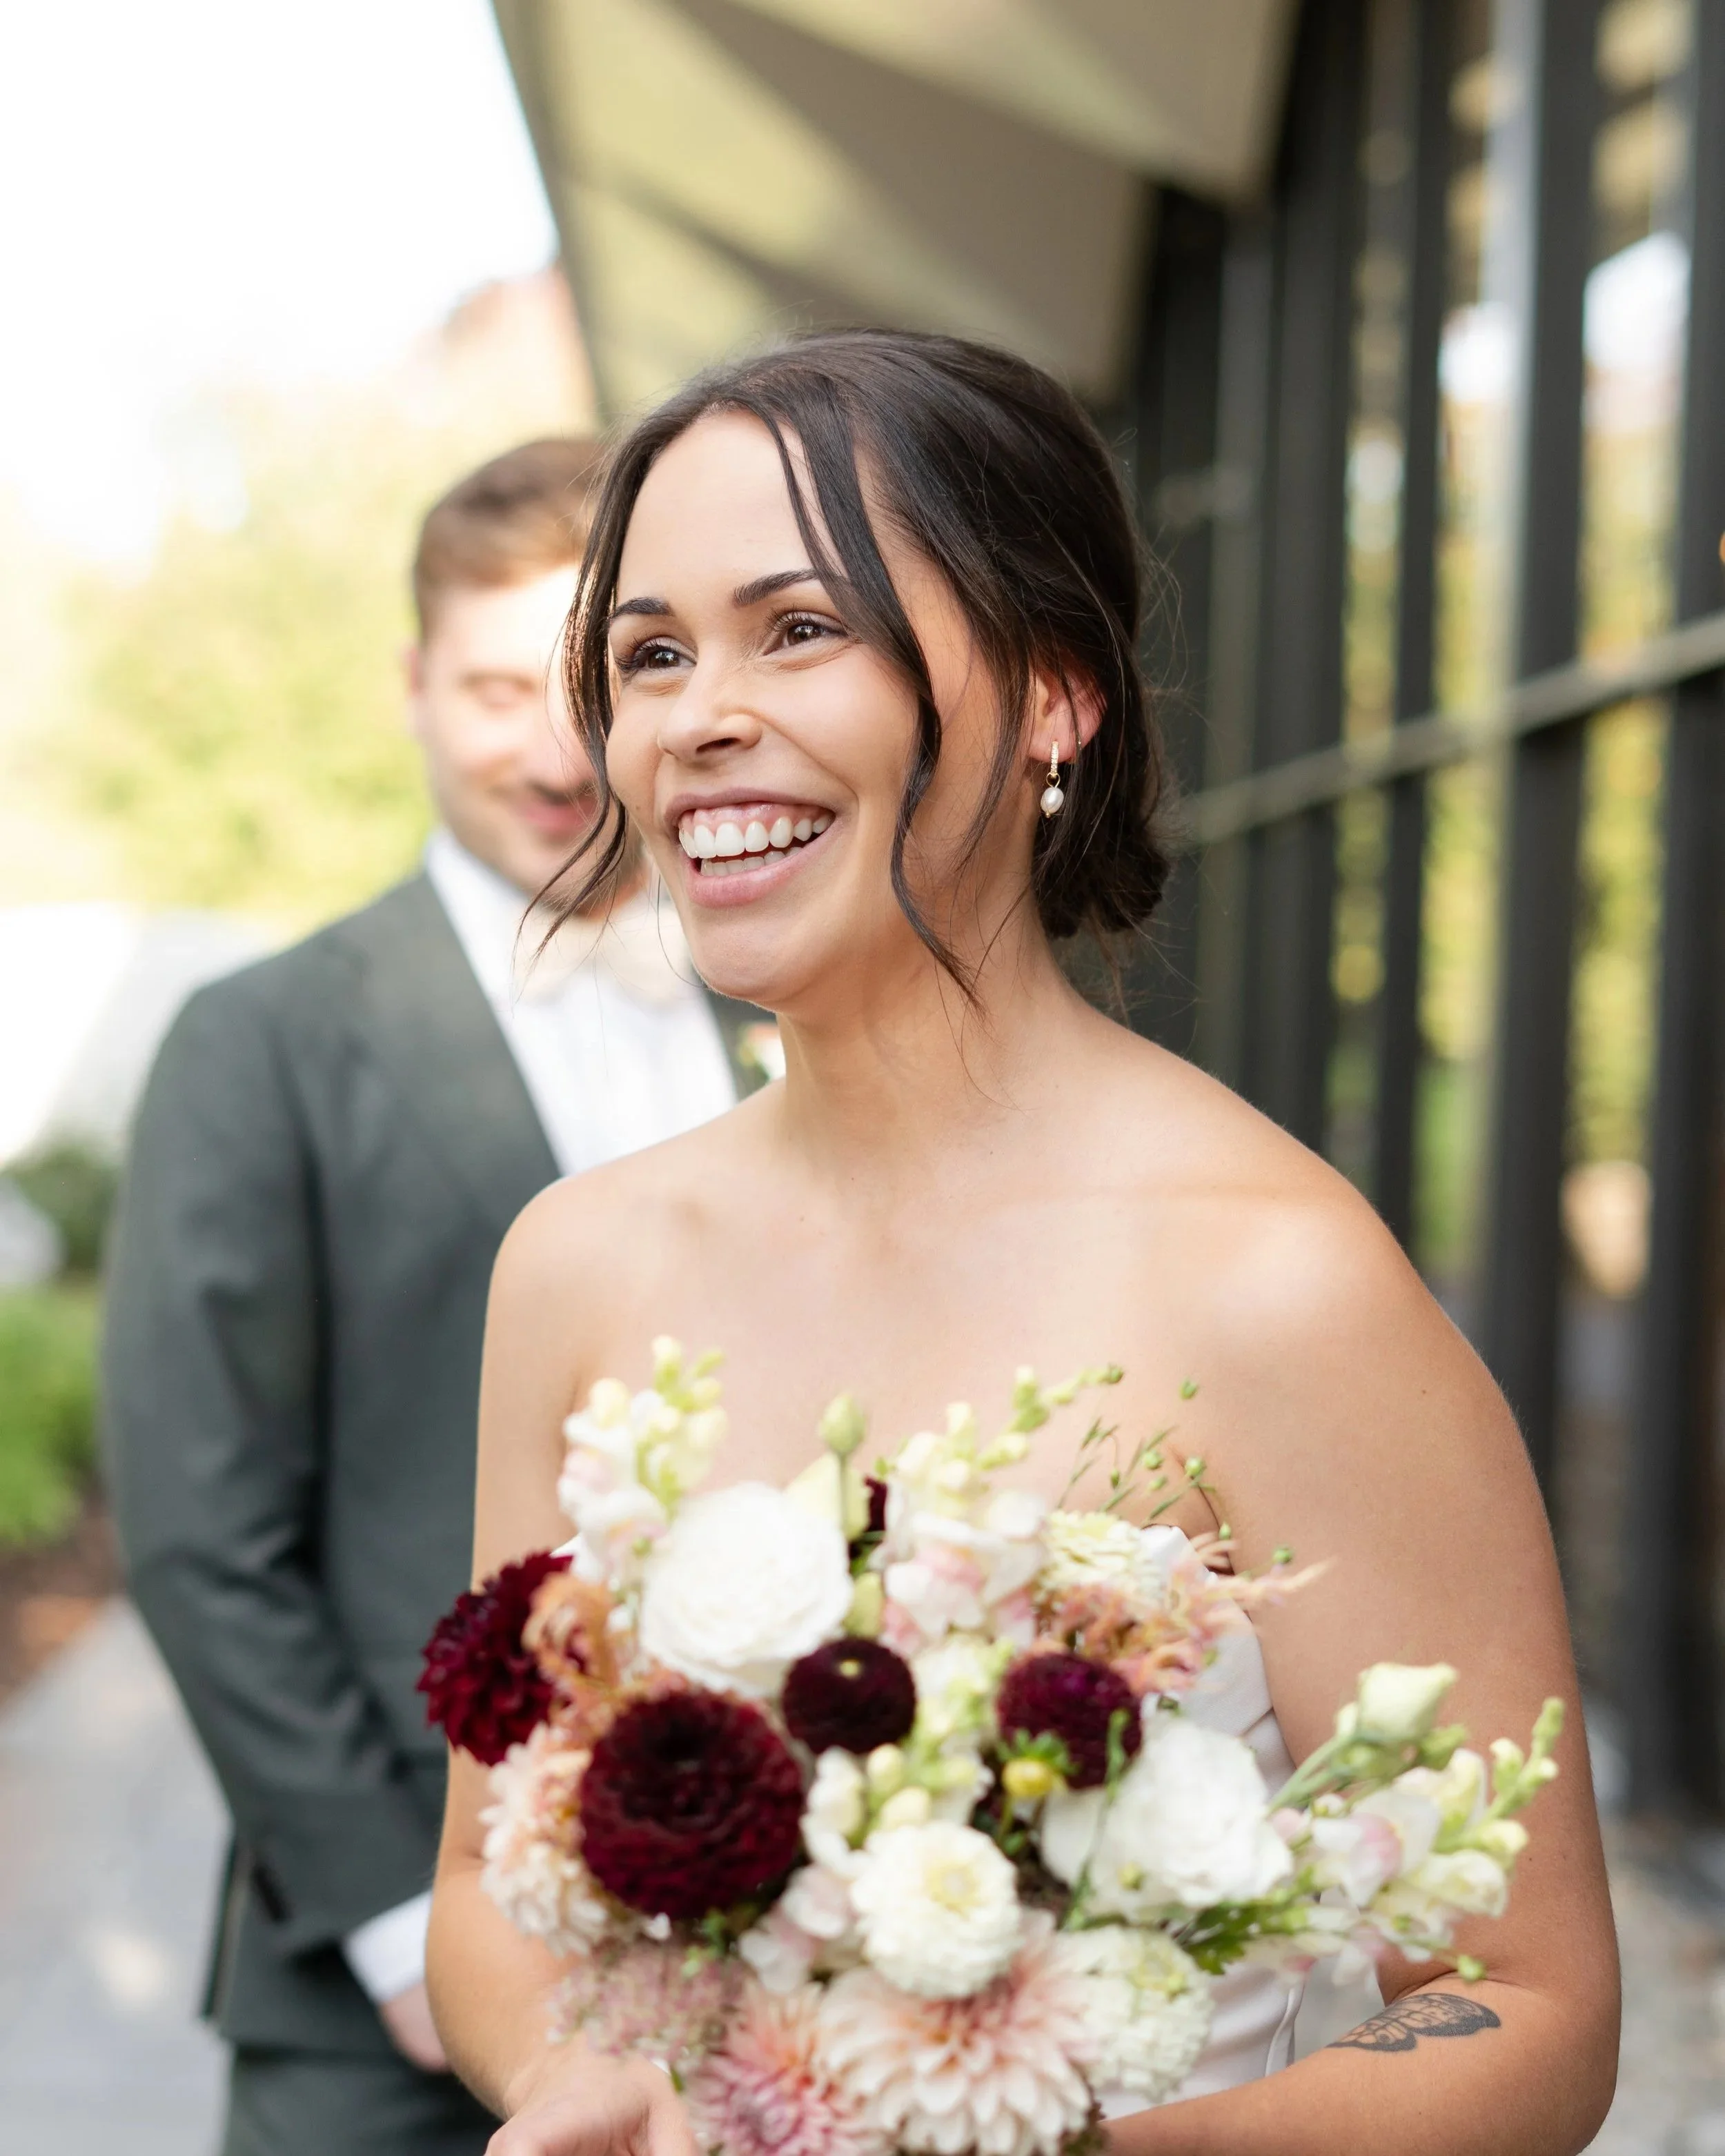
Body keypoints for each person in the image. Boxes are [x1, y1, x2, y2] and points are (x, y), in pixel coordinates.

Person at [426, 333, 1619, 2156]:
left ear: (1055, 689)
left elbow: (1523, 2009)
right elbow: (488, 1884)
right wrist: (588, 2081)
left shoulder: (1269, 1278)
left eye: (798, 626)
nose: (693, 716)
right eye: (648, 654)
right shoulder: (575, 1264)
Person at [102, 438, 762, 2156]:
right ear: (410, 686)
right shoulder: (263, 1042)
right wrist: (408, 1924)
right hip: (383, 1986)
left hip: (772, 1965)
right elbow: (201, 1530)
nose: (549, 750)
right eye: (490, 688)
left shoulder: (782, 1003)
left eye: (586, 682)